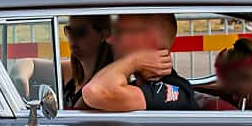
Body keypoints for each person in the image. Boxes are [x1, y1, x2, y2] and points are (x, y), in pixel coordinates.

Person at [80, 13, 213, 111]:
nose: (110, 40)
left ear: (147, 44)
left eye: (120, 32)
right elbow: (79, 107)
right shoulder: (134, 84)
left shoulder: (176, 90)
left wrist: (133, 61)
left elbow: (94, 91)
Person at [60, 14, 114, 108]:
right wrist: (24, 78)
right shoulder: (70, 70)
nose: (73, 37)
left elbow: (74, 117)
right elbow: (31, 63)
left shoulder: (103, 85)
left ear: (102, 35)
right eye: (69, 31)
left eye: (81, 32)